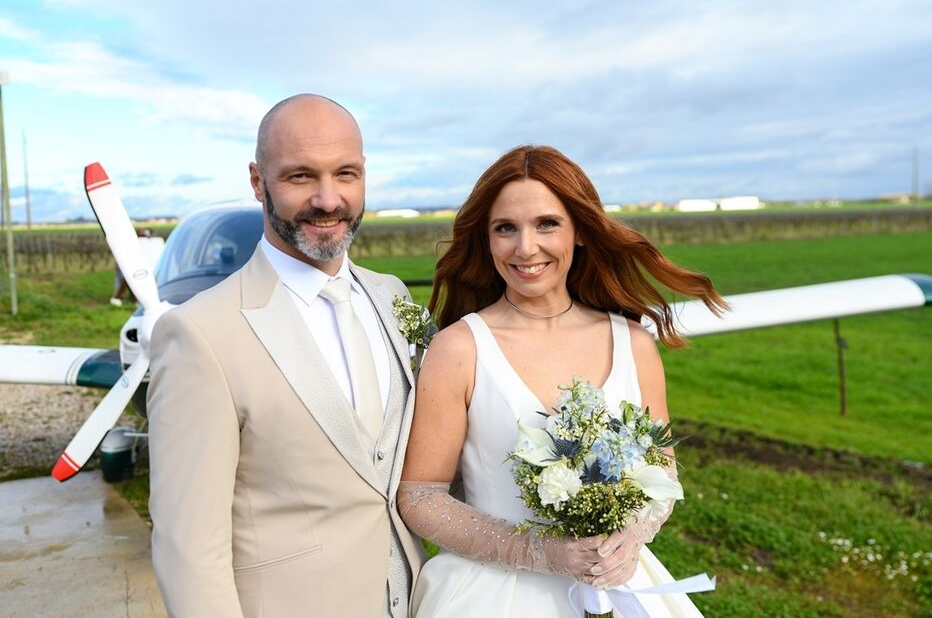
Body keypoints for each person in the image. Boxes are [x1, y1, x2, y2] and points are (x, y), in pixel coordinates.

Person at [398, 145, 726, 617]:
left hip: (618, 587)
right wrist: (543, 551)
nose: (525, 248)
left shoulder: (633, 344)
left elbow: (664, 473)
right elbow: (421, 496)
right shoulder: (459, 348)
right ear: (487, 240)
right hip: (490, 596)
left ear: (581, 232)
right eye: (505, 228)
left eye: (546, 224)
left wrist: (628, 536)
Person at [147, 94, 424, 617]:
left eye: (346, 174)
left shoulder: (393, 297)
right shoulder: (199, 333)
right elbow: (188, 549)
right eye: (300, 177)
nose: (328, 199)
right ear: (258, 181)